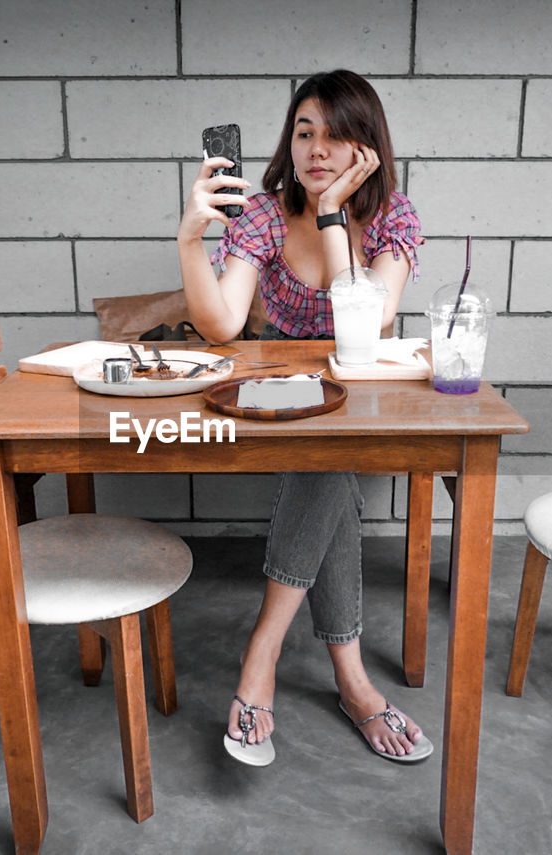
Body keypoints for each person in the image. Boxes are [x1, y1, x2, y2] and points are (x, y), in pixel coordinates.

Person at [176, 69, 431, 766]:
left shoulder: (393, 218)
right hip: (284, 401)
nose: (317, 149)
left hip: (361, 397)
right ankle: (350, 680)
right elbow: (224, 324)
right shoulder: (261, 215)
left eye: (338, 133)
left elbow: (367, 324)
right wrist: (189, 241)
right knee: (327, 461)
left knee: (330, 460)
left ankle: (263, 653)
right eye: (304, 130)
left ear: (368, 147)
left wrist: (331, 215)